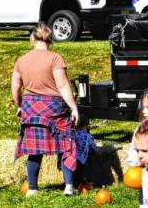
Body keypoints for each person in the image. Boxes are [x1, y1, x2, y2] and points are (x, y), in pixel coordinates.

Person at [12, 23, 80, 196]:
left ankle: (33, 189)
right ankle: (69, 186)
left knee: (34, 148)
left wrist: (19, 105)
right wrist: (74, 108)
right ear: (50, 39)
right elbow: (63, 85)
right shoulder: (55, 58)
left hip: (31, 107)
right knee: (67, 144)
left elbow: (15, 87)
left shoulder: (22, 59)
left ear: (32, 38)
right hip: (54, 107)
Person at [72, 114, 97, 186]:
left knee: (72, 172)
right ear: (86, 126)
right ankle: (80, 184)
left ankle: (71, 183)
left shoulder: (73, 134)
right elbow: (94, 146)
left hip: (73, 157)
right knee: (81, 173)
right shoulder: (88, 136)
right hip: (82, 159)